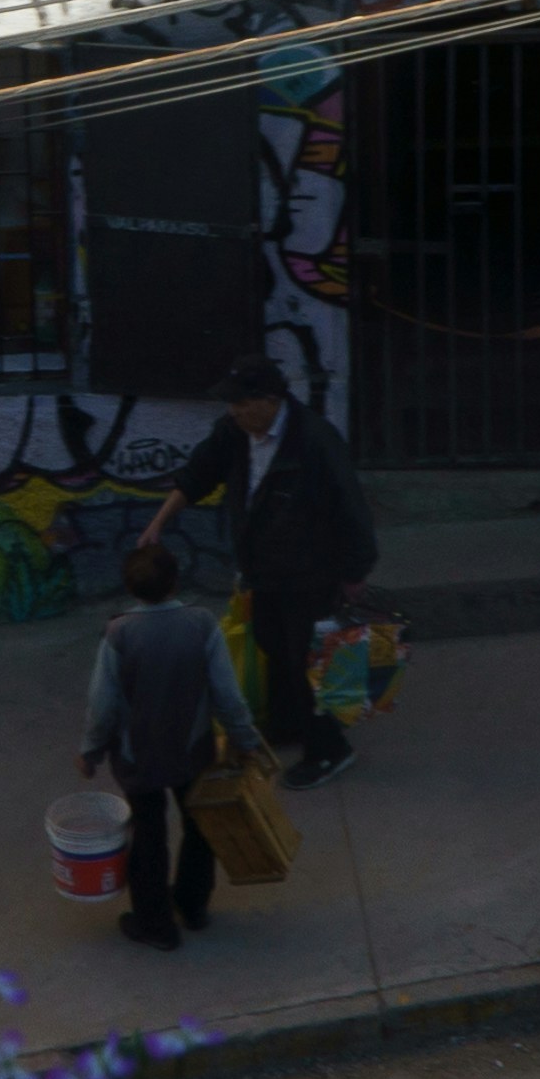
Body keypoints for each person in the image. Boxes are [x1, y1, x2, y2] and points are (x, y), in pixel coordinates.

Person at [140, 352, 375, 784]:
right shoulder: (234, 432)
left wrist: (355, 572)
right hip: (262, 568)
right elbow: (198, 475)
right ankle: (290, 725)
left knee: (306, 658)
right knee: (272, 644)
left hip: (309, 569)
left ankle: (328, 749)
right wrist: (158, 524)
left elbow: (351, 508)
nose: (234, 412)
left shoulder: (315, 441)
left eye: (242, 403)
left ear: (270, 400)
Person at [81, 537, 256, 950]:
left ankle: (155, 924)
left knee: (148, 833)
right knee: (199, 825)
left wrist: (90, 751)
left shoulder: (119, 634)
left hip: (137, 757)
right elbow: (227, 695)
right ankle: (193, 906)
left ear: (131, 588)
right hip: (192, 751)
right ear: (176, 581)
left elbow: (101, 706)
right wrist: (244, 739)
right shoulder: (201, 625)